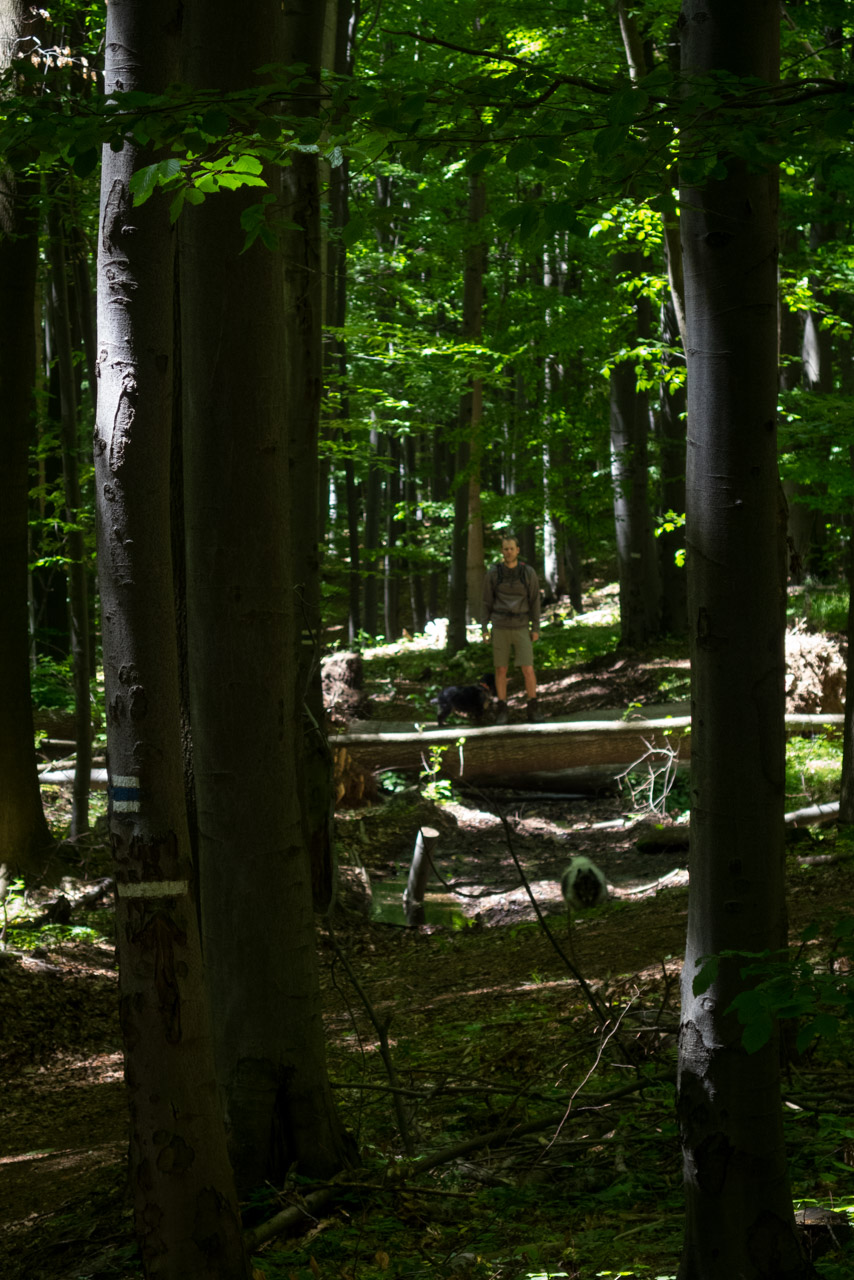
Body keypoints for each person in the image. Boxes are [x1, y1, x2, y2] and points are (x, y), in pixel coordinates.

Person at [481, 534, 541, 723]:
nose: (508, 552)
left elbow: (534, 601)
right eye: (505, 549)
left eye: (511, 548)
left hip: (522, 625)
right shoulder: (493, 573)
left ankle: (533, 707)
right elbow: (486, 602)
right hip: (500, 626)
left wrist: (535, 627)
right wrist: (484, 628)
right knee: (501, 669)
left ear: (518, 550)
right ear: (502, 551)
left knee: (528, 668)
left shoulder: (527, 573)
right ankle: (502, 708)